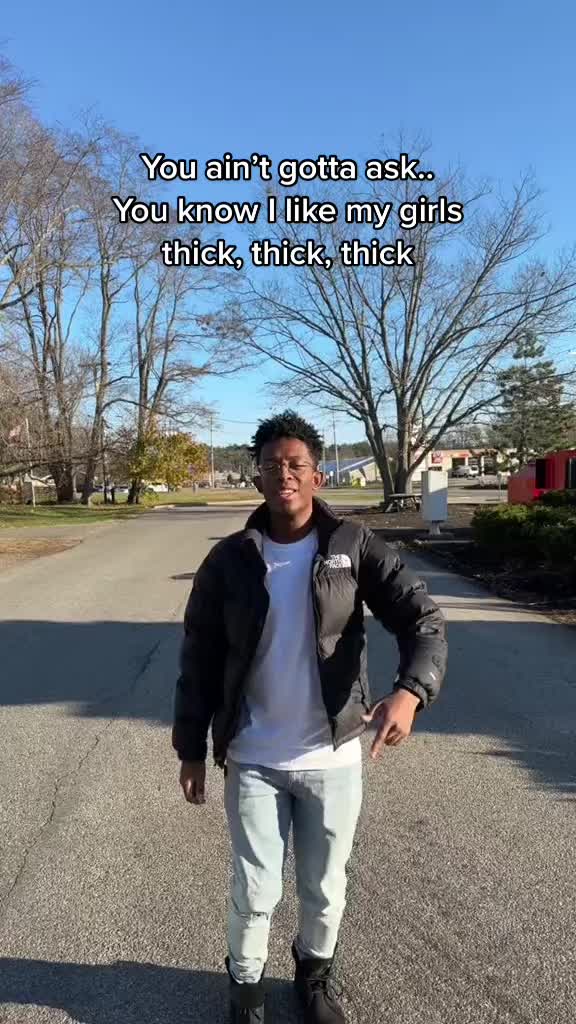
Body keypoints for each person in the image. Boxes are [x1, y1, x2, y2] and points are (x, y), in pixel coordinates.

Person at [172, 410, 447, 1024]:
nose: (284, 475)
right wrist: (191, 748)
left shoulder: (354, 546)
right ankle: (246, 991)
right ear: (258, 478)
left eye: (296, 464)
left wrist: (410, 692)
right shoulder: (229, 560)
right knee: (255, 889)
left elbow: (423, 620)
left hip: (332, 755)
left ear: (317, 475)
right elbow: (199, 657)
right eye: (272, 465)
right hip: (253, 755)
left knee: (324, 887)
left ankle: (314, 978)